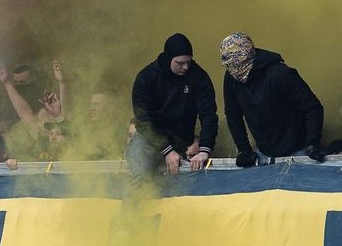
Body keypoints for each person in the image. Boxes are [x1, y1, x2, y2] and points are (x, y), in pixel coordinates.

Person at [219, 32, 326, 166]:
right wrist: (244, 149)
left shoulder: (280, 74)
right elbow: (233, 114)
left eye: (236, 65)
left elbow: (312, 107)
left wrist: (312, 142)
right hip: (264, 152)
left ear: (249, 57)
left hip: (299, 149)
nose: (234, 70)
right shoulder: (231, 78)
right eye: (230, 66)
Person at [128, 33, 218, 178]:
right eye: (180, 63)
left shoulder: (199, 77)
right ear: (169, 58)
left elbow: (209, 115)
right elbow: (143, 121)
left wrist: (204, 150)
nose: (186, 67)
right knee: (140, 175)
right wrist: (167, 151)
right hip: (148, 141)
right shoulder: (146, 78)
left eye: (189, 62)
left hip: (180, 142)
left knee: (180, 184)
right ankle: (134, 200)